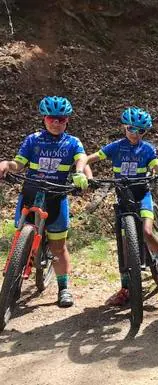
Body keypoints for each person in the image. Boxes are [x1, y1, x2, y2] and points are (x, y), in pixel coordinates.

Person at [0, 96, 92, 308]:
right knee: (19, 240)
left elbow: (81, 158)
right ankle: (14, 280)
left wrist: (80, 174)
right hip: (30, 194)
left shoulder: (72, 142)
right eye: (52, 118)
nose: (56, 123)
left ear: (67, 120)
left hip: (56, 197)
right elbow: (19, 164)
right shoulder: (33, 140)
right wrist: (6, 164)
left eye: (61, 119)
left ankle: (63, 288)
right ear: (44, 118)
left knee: (58, 247)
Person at [76, 107, 158, 306]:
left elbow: (155, 164)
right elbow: (87, 158)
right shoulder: (116, 147)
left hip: (142, 194)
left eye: (141, 131)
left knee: (146, 231)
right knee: (125, 243)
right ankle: (126, 286)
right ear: (124, 127)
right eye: (131, 128)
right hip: (123, 196)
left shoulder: (146, 148)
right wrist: (84, 173)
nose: (135, 134)